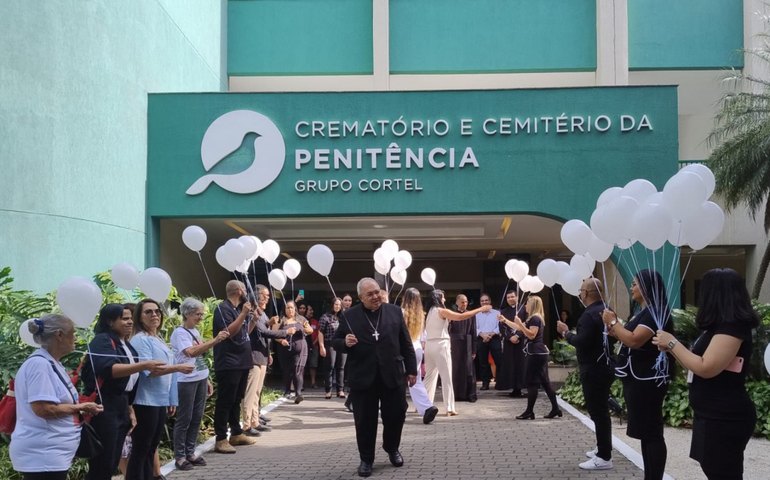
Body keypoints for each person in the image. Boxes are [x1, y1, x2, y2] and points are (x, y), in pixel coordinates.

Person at [653, 268, 759, 479]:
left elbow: (706, 367)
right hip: (711, 414)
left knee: (722, 472)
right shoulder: (717, 328)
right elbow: (696, 363)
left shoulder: (732, 327)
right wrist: (674, 349)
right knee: (713, 468)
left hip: (725, 417)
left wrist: (672, 343)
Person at [332, 278, 417, 478]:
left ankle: (392, 447)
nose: (376, 296)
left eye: (377, 292)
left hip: (392, 374)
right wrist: (344, 342)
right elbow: (335, 341)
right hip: (363, 376)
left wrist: (412, 370)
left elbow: (406, 343)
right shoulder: (349, 316)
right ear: (361, 297)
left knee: (396, 416)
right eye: (370, 294)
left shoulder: (394, 312)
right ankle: (366, 459)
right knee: (364, 421)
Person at [10, 314, 103, 480]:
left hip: (52, 453)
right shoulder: (39, 365)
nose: (75, 338)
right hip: (43, 454)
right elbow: (43, 409)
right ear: (59, 335)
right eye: (72, 333)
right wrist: (81, 407)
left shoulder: (51, 363)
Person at [601, 270, 672, 480]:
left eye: (634, 284)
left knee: (651, 432)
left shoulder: (655, 311)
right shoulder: (643, 311)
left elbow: (633, 340)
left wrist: (614, 322)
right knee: (645, 432)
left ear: (646, 287)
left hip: (647, 379)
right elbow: (625, 336)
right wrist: (612, 328)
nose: (631, 287)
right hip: (636, 377)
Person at [81, 304, 164, 480]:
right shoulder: (102, 340)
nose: (129, 322)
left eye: (130, 319)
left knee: (112, 460)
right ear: (110, 321)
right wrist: (144, 364)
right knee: (103, 461)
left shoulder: (124, 342)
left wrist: (129, 408)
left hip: (121, 404)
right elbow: (108, 369)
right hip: (105, 406)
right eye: (124, 318)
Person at [128, 298, 194, 480]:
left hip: (159, 400)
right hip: (145, 400)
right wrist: (179, 368)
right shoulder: (140, 340)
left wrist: (172, 399)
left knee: (151, 447)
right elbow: (149, 370)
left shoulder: (157, 338)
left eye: (157, 311)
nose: (154, 315)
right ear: (139, 317)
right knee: (141, 448)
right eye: (148, 312)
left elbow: (169, 372)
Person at [556, 278, 615, 471]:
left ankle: (604, 457)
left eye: (581, 290)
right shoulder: (606, 310)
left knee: (598, 411)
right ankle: (602, 446)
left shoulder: (589, 315)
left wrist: (566, 333)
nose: (579, 293)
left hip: (593, 368)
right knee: (600, 410)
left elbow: (582, 341)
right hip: (605, 365)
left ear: (587, 293)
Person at [170, 298, 229, 470]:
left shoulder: (194, 331)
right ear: (187, 314)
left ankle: (190, 452)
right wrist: (216, 340)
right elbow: (191, 352)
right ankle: (180, 456)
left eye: (202, 314)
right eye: (198, 314)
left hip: (199, 378)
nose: (201, 317)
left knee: (196, 417)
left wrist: (207, 377)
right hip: (186, 381)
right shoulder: (180, 333)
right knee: (184, 419)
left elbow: (199, 356)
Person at [424, 289, 491, 416]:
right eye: (443, 297)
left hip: (429, 345)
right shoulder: (441, 310)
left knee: (429, 377)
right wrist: (479, 310)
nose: (444, 300)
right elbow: (461, 317)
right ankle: (449, 408)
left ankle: (423, 405)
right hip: (440, 344)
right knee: (447, 377)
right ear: (438, 298)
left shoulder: (429, 312)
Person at [212, 280, 258, 453]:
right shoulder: (222, 309)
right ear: (239, 291)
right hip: (229, 362)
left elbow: (243, 333)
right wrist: (243, 314)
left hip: (242, 361)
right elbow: (228, 333)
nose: (247, 292)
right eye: (245, 289)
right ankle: (221, 438)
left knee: (236, 399)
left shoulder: (239, 310)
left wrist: (252, 320)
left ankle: (236, 434)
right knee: (225, 401)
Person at [242, 285, 292, 435]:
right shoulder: (253, 312)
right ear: (257, 296)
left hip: (262, 355)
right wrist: (285, 332)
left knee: (257, 392)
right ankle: (246, 425)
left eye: (268, 296)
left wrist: (269, 352)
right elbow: (263, 332)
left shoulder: (262, 314)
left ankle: (255, 421)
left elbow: (264, 330)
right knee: (250, 393)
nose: (267, 298)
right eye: (265, 295)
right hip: (253, 357)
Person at [500, 296, 561, 419]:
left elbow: (531, 335)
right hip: (538, 352)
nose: (525, 306)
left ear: (532, 305)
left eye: (527, 303)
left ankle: (529, 411)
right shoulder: (534, 318)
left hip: (535, 353)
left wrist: (521, 326)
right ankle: (555, 408)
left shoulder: (535, 318)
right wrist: (505, 320)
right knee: (545, 382)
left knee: (531, 382)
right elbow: (518, 327)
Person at [401, 287, 439, 424]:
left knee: (398, 380)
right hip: (417, 348)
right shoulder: (422, 314)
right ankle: (427, 407)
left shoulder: (401, 313)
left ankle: (400, 408)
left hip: (404, 349)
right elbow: (424, 337)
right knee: (415, 380)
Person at [276, 301, 313, 403]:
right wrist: (281, 340)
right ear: (284, 309)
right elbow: (275, 334)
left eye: (292, 308)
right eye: (288, 308)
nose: (290, 310)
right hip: (285, 349)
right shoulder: (281, 320)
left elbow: (310, 330)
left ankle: (298, 393)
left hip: (300, 349)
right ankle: (287, 391)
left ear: (295, 309)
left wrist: (305, 327)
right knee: (287, 371)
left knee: (298, 370)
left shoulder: (301, 319)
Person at [448, 294, 478, 402]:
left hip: (468, 344)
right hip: (455, 345)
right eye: (462, 302)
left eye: (466, 302)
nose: (464, 304)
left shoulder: (471, 315)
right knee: (455, 370)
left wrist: (474, 350)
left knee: (468, 370)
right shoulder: (451, 314)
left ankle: (469, 394)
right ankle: (456, 395)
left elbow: (474, 332)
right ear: (457, 302)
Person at [498, 290, 527, 396]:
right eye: (508, 297)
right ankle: (514, 388)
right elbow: (502, 327)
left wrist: (518, 335)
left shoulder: (524, 309)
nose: (510, 299)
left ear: (517, 297)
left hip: (521, 341)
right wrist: (510, 337)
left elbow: (526, 324)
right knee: (511, 365)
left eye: (512, 297)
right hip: (509, 342)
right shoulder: (503, 311)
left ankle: (520, 387)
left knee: (520, 364)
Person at [318, 297, 347, 399]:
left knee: (341, 368)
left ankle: (340, 390)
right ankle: (328, 390)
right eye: (336, 304)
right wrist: (321, 346)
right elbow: (320, 332)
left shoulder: (344, 317)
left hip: (342, 344)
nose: (337, 306)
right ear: (332, 305)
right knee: (330, 367)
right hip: (330, 343)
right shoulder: (325, 317)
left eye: (339, 305)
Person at [475, 293, 502, 390]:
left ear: (490, 301)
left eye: (486, 300)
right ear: (480, 303)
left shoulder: (497, 313)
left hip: (494, 337)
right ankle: (485, 383)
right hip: (481, 338)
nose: (484, 302)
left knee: (498, 360)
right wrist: (482, 335)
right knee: (483, 362)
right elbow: (475, 327)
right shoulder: (476, 314)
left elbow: (500, 326)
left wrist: (490, 334)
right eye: (482, 301)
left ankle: (499, 382)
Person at [305, 304, 320, 388]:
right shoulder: (302, 320)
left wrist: (314, 343)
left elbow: (319, 333)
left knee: (313, 364)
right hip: (304, 346)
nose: (312, 311)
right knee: (302, 365)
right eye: (310, 310)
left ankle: (313, 382)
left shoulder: (315, 322)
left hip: (314, 346)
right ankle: (301, 383)